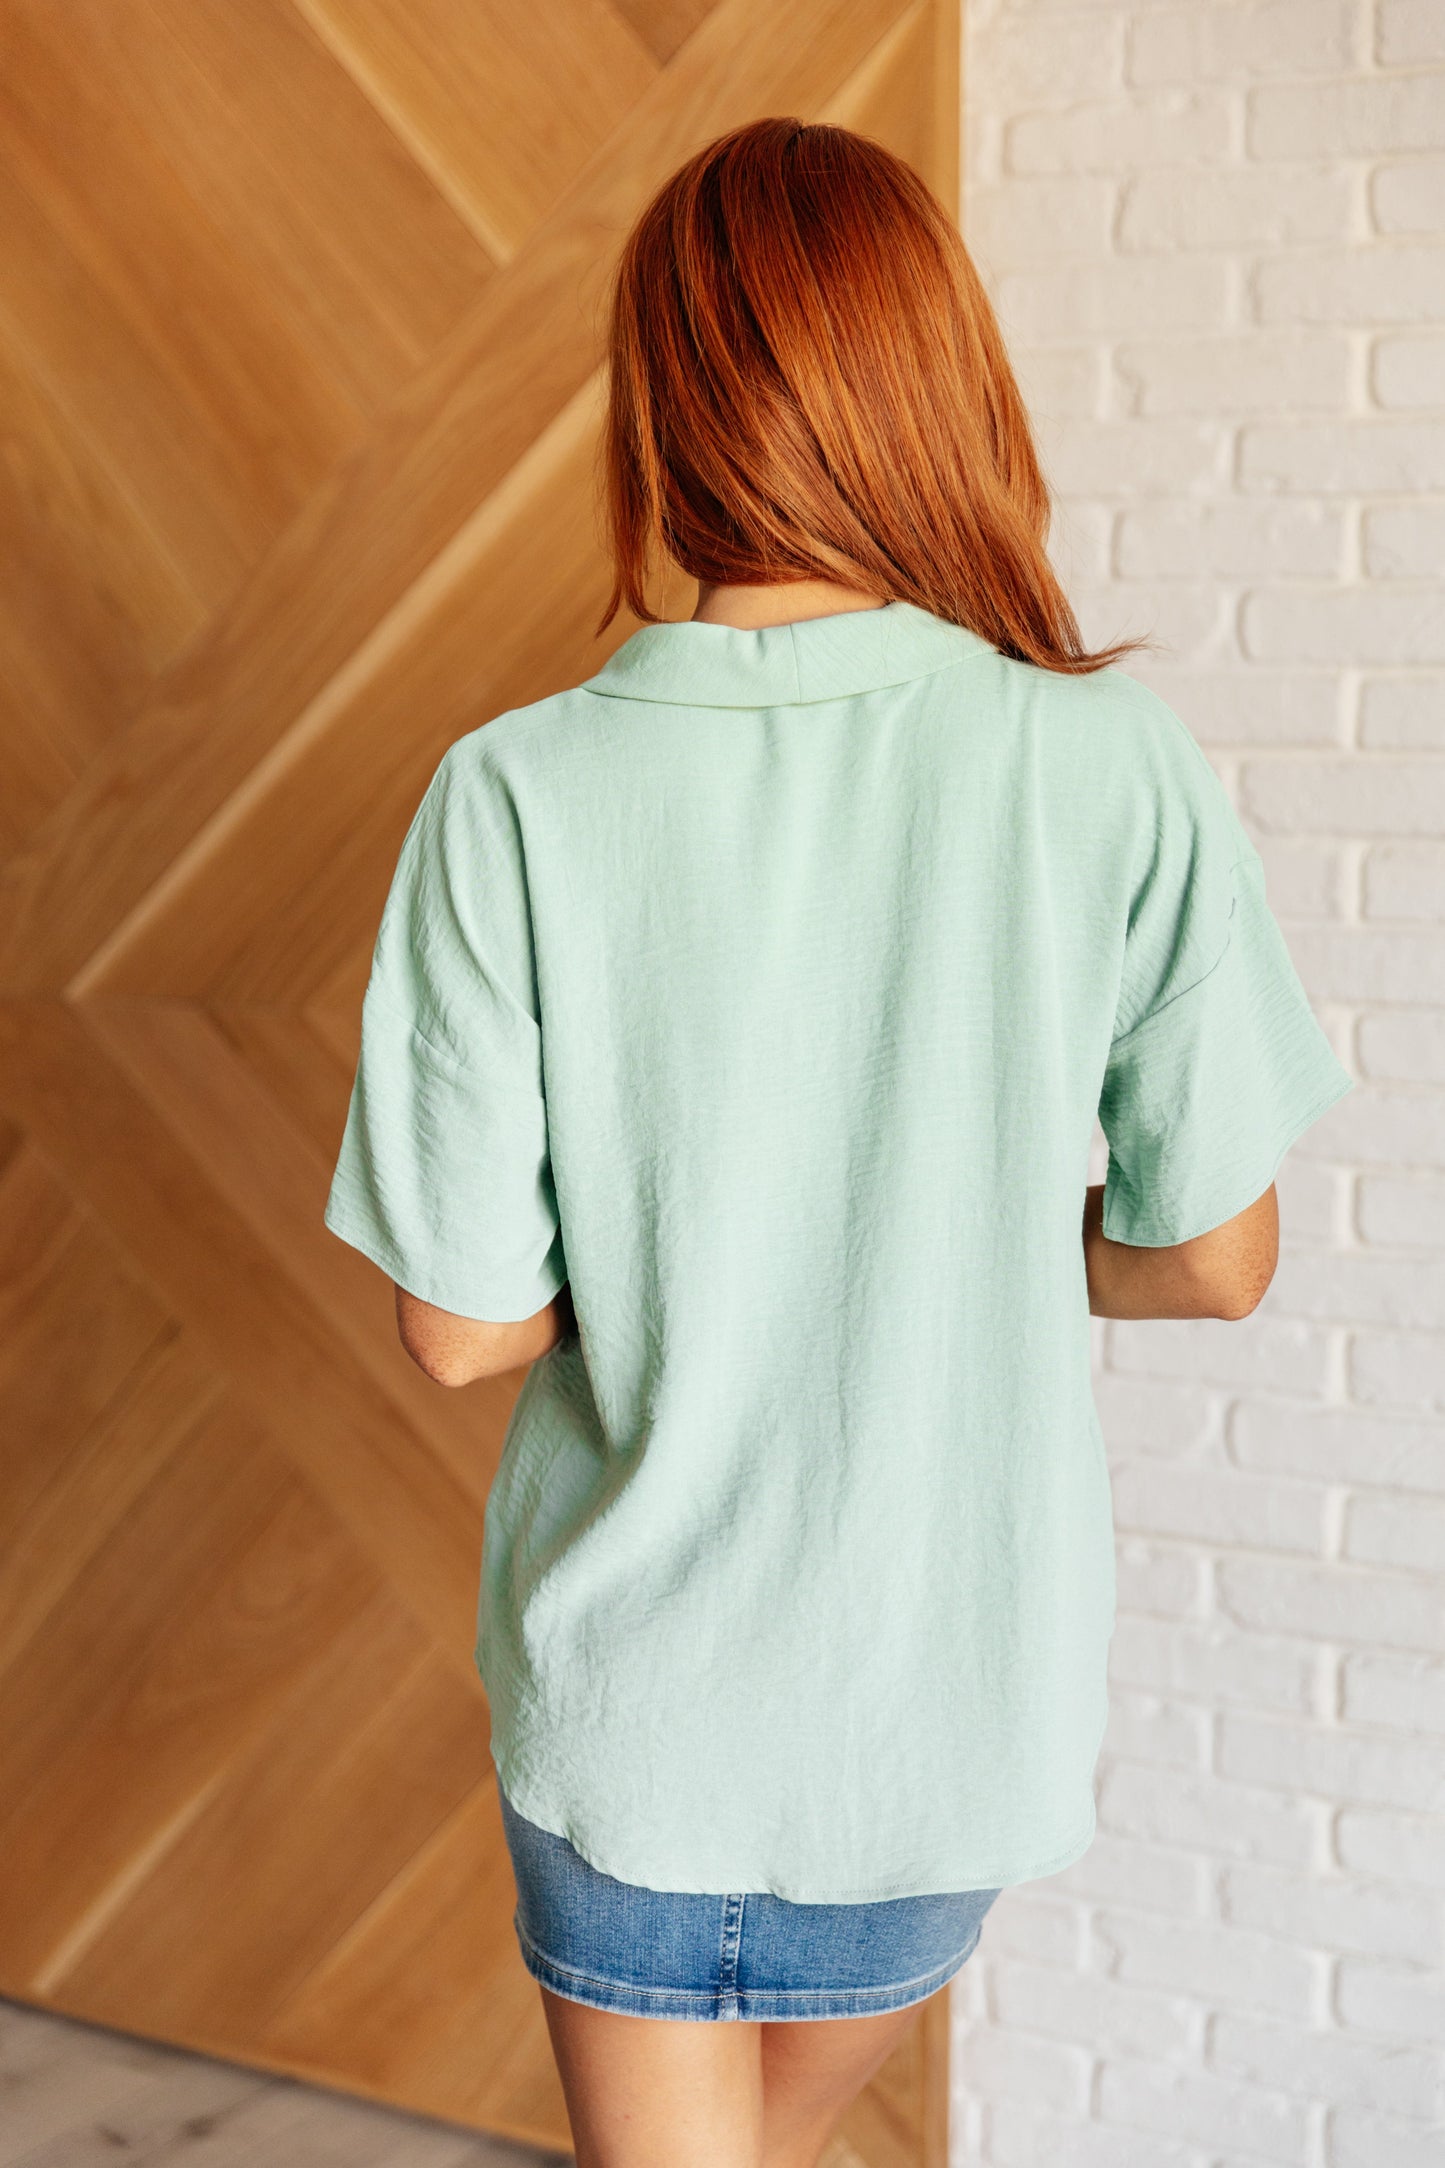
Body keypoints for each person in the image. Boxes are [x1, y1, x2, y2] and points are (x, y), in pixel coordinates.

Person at [322, 118, 1354, 2168]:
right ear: (939, 383)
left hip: (634, 1717)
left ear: (662, 404)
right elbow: (1216, 1256)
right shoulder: (1105, 758)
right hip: (939, 1720)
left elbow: (464, 1327)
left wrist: (681, 1229)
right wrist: (963, 1223)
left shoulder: (514, 792)